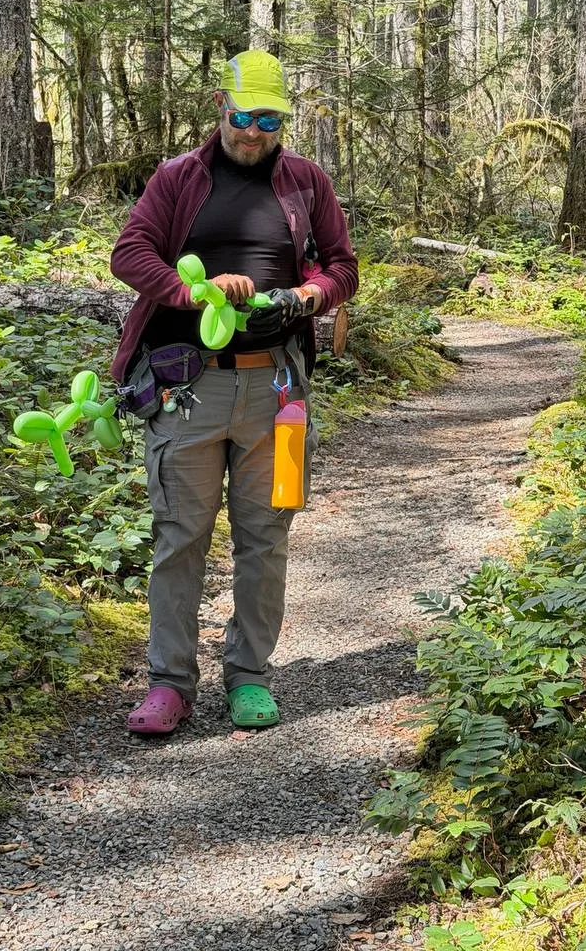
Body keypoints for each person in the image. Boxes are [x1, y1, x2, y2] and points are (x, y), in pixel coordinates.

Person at [110, 49, 358, 734]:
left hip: (278, 393)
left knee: (266, 536)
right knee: (179, 536)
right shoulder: (178, 179)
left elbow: (343, 265)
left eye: (269, 120)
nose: (253, 132)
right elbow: (129, 254)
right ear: (222, 104)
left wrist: (312, 295)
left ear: (283, 120)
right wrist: (194, 292)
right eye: (244, 115)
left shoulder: (307, 182)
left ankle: (249, 676)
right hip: (185, 391)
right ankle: (170, 685)